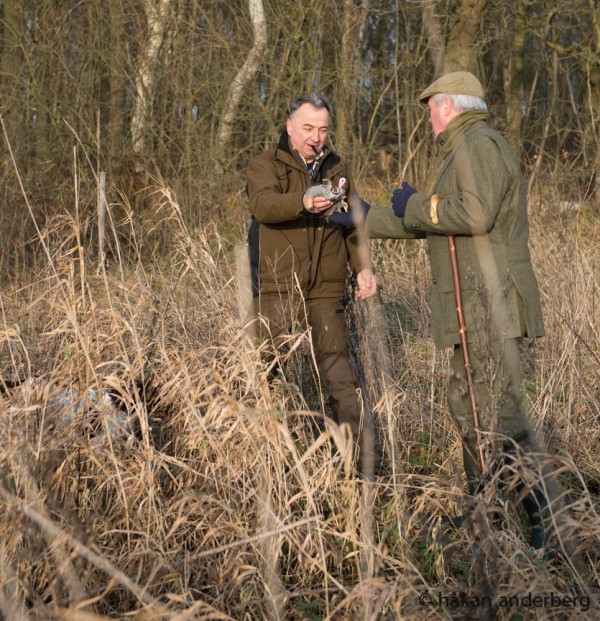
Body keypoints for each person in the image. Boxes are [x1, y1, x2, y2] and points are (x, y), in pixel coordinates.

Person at [331, 72, 554, 554]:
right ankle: (485, 510)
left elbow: (472, 214)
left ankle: (547, 523)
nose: (427, 116)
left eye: (430, 106)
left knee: (502, 415)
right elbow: (437, 222)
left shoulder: (480, 145)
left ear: (448, 106)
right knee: (469, 408)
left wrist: (416, 204)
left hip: (490, 304)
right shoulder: (463, 149)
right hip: (468, 304)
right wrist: (366, 217)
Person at [246, 94, 378, 474]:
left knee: (340, 378)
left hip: (326, 290)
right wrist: (303, 200)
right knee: (264, 375)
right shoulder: (264, 165)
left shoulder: (338, 168)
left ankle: (359, 471)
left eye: (322, 129)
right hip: (276, 288)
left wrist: (363, 268)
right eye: (308, 128)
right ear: (290, 127)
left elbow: (353, 223)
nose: (316, 137)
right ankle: (263, 466)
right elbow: (263, 206)